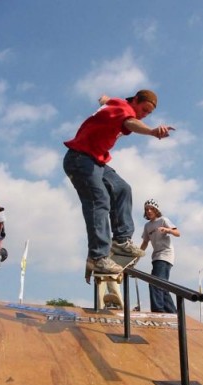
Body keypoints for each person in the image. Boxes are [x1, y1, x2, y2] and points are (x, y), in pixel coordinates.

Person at [63, 90, 175, 278]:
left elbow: (106, 100)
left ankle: (122, 240)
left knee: (122, 188)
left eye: (148, 114)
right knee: (99, 201)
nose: (144, 115)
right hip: (80, 160)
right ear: (135, 101)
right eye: (144, 110)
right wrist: (151, 131)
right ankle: (98, 257)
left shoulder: (115, 103)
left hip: (96, 161)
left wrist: (103, 99)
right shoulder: (124, 109)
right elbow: (131, 122)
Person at [140, 199, 180, 313]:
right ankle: (173, 313)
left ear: (156, 210)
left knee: (155, 283)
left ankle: (158, 310)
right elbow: (144, 243)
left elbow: (178, 233)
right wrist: (136, 258)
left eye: (151, 209)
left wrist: (167, 229)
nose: (148, 211)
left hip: (166, 254)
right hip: (156, 256)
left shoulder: (163, 220)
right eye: (146, 209)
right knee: (162, 285)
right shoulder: (147, 226)